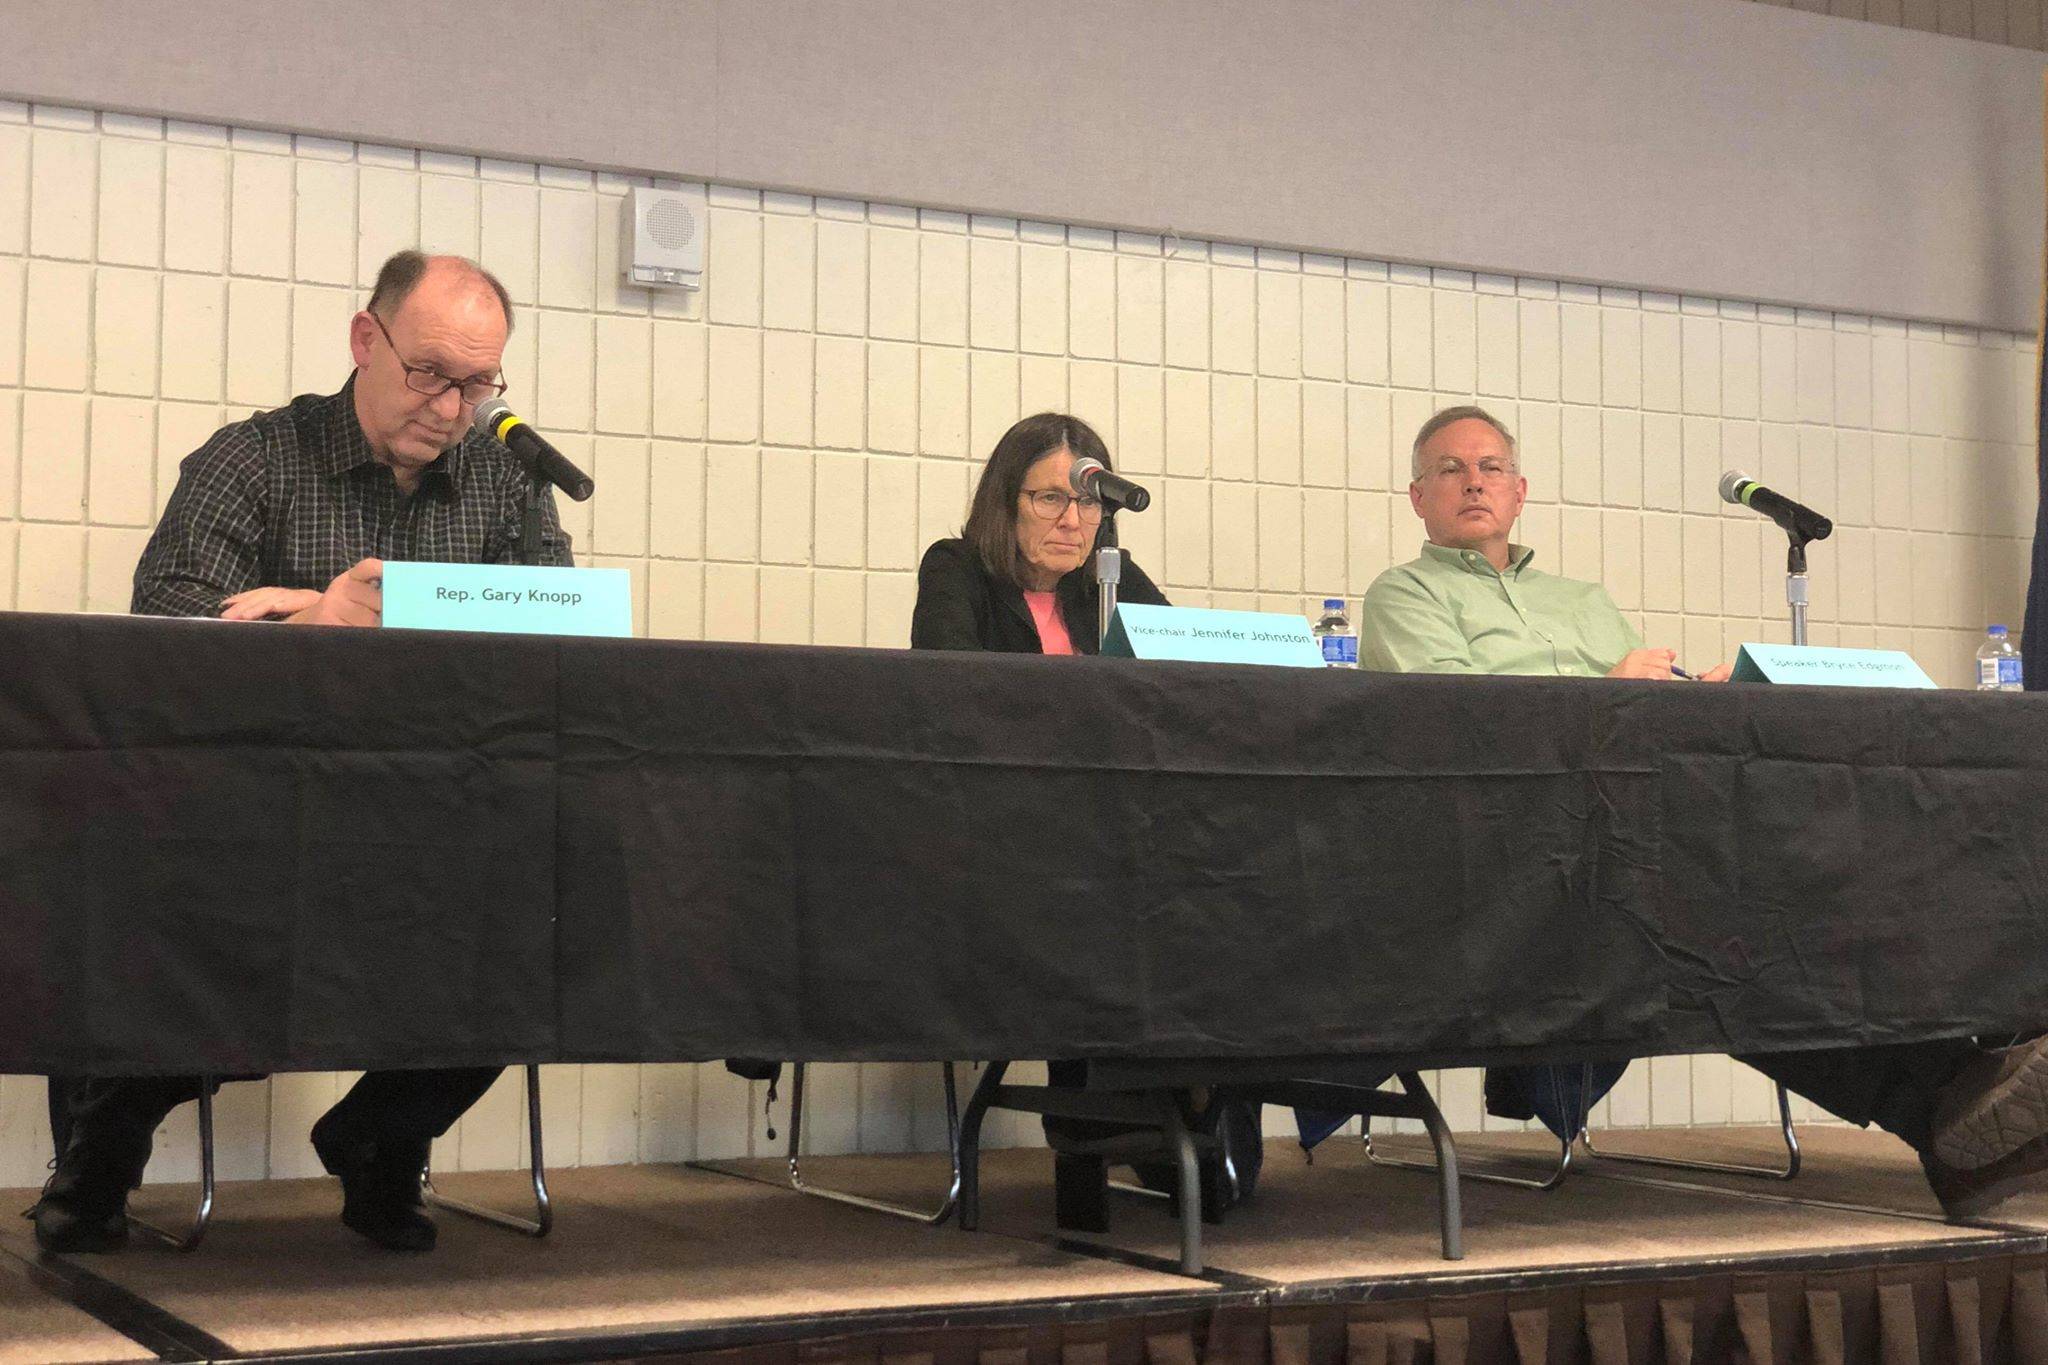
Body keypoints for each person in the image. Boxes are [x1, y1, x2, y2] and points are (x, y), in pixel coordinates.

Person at [1331, 403, 2048, 1218]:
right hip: (1514, 857)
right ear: (1417, 496)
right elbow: (1469, 725)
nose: (1473, 481)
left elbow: (1634, 725)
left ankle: (1978, 1082)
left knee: (1808, 868)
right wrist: (1609, 691)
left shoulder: (1583, 598)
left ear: (1520, 490)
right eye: (1449, 468)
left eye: (1490, 466)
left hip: (1630, 830)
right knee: (1726, 921)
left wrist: (1690, 701)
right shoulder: (1403, 593)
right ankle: (1950, 1104)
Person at [30, 251, 570, 1255]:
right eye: (431, 374)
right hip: (256, 815)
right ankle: (102, 1154)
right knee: (193, 913)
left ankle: (380, 1137)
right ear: (366, 341)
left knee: (551, 912)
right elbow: (166, 627)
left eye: (478, 384)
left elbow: (547, 642)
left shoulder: (506, 484)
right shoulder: (255, 460)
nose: (453, 407)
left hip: (434, 814)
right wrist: (309, 627)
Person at [911, 412, 1262, 1227]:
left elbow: (1192, 672)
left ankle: (1188, 1108)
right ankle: (1122, 1120)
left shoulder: (1113, 574)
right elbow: (947, 697)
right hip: (1008, 842)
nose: (1073, 520)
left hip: (1125, 840)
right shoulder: (958, 569)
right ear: (1004, 501)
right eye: (1049, 500)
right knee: (1106, 901)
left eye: (1089, 501)